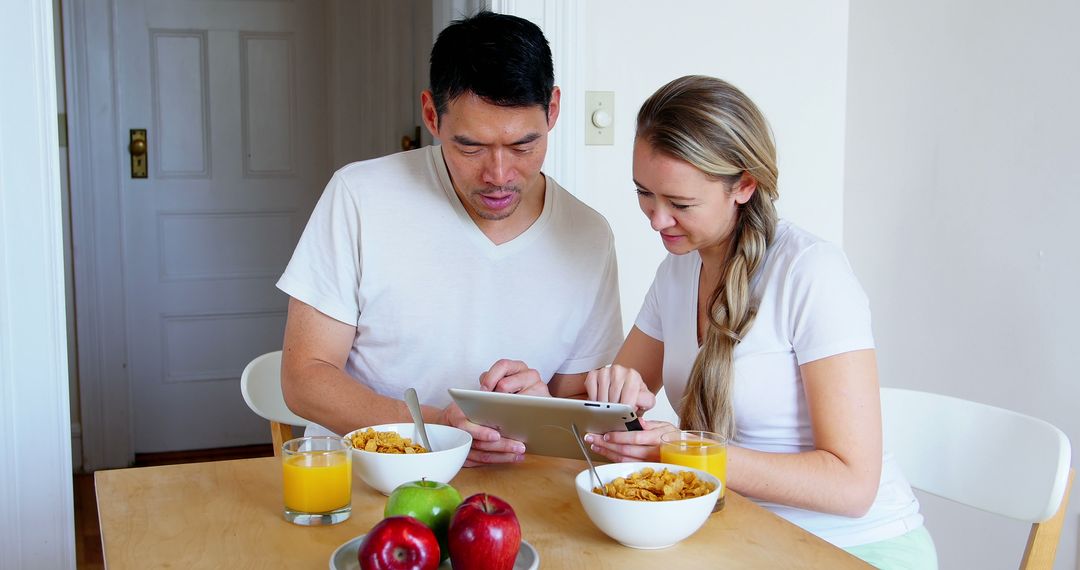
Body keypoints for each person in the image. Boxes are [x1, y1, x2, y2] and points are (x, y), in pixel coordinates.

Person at [575, 75, 936, 568]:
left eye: (680, 204)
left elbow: (852, 486)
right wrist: (609, 400)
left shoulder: (811, 273)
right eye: (644, 193)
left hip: (854, 548)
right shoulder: (676, 273)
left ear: (744, 184)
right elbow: (613, 404)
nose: (657, 220)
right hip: (740, 538)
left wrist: (684, 450)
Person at [275, 11, 622, 466]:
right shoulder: (360, 195)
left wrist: (538, 410)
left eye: (522, 146)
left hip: (506, 496)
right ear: (431, 115)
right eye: (470, 147)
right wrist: (433, 430)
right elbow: (304, 377)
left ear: (552, 110)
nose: (498, 176)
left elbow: (578, 412)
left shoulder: (588, 237)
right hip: (361, 485)